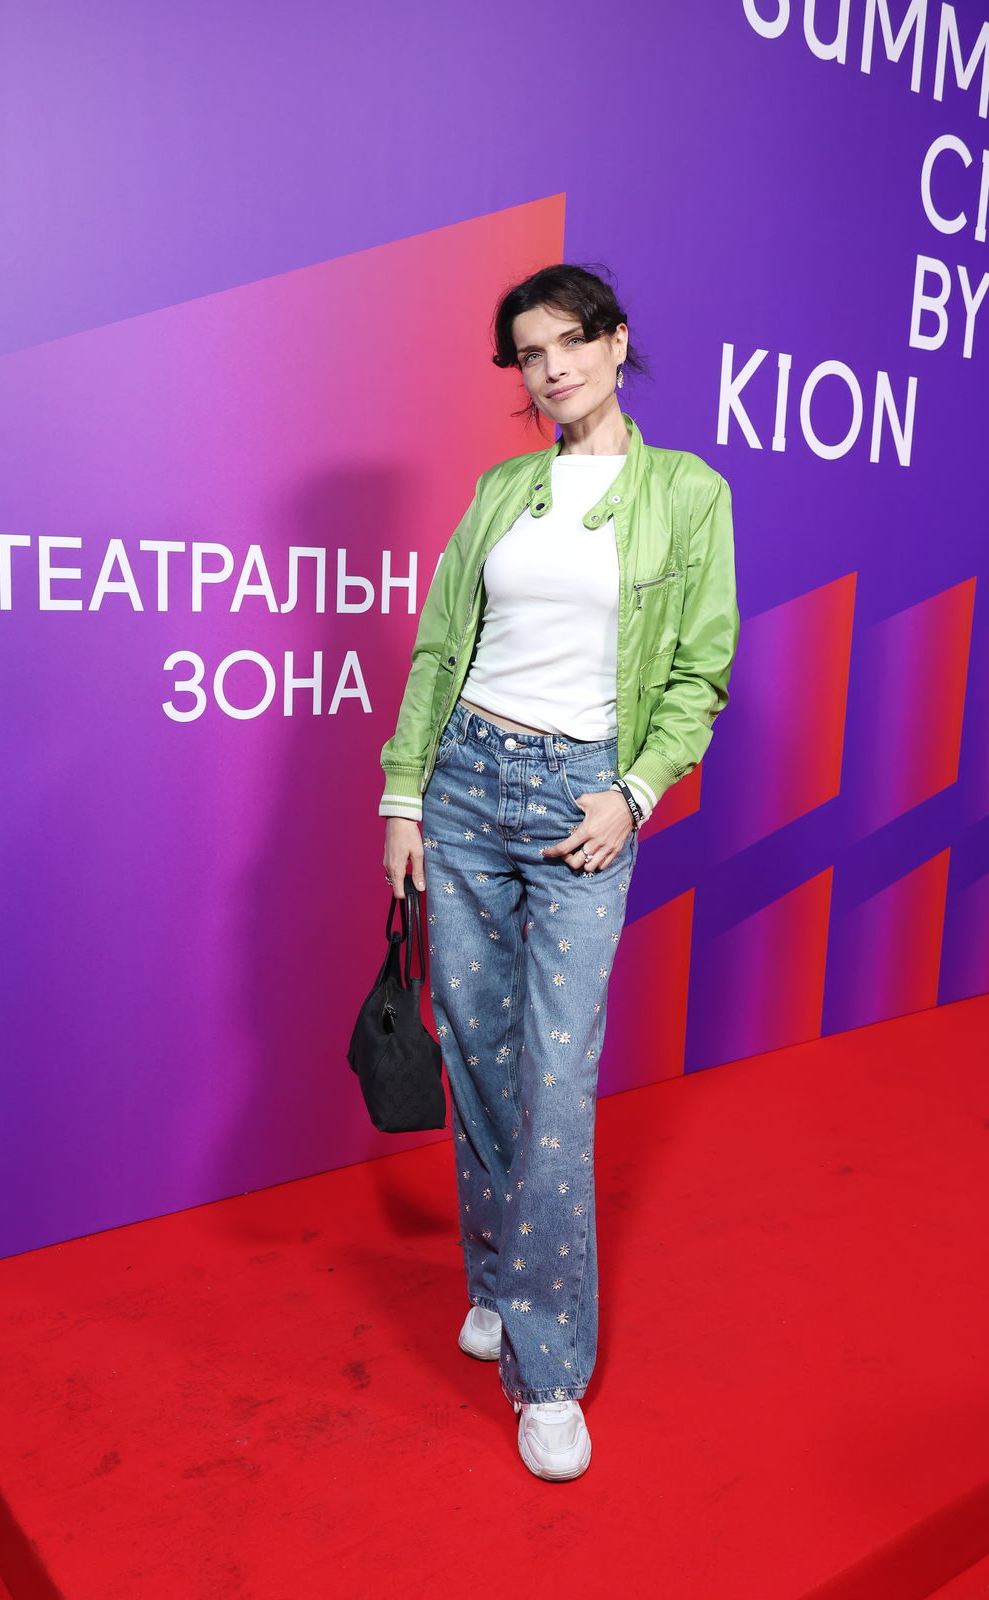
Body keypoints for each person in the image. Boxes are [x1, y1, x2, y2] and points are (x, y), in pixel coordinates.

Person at [379, 263, 738, 1481]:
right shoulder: (500, 489)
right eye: (529, 355)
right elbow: (441, 643)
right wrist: (404, 792)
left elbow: (696, 673)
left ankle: (546, 1371)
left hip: (580, 801)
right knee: (478, 1054)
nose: (551, 370)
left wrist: (632, 793)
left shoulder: (685, 493)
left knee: (554, 1076)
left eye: (570, 343)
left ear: (616, 343)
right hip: (465, 784)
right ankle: (492, 1277)